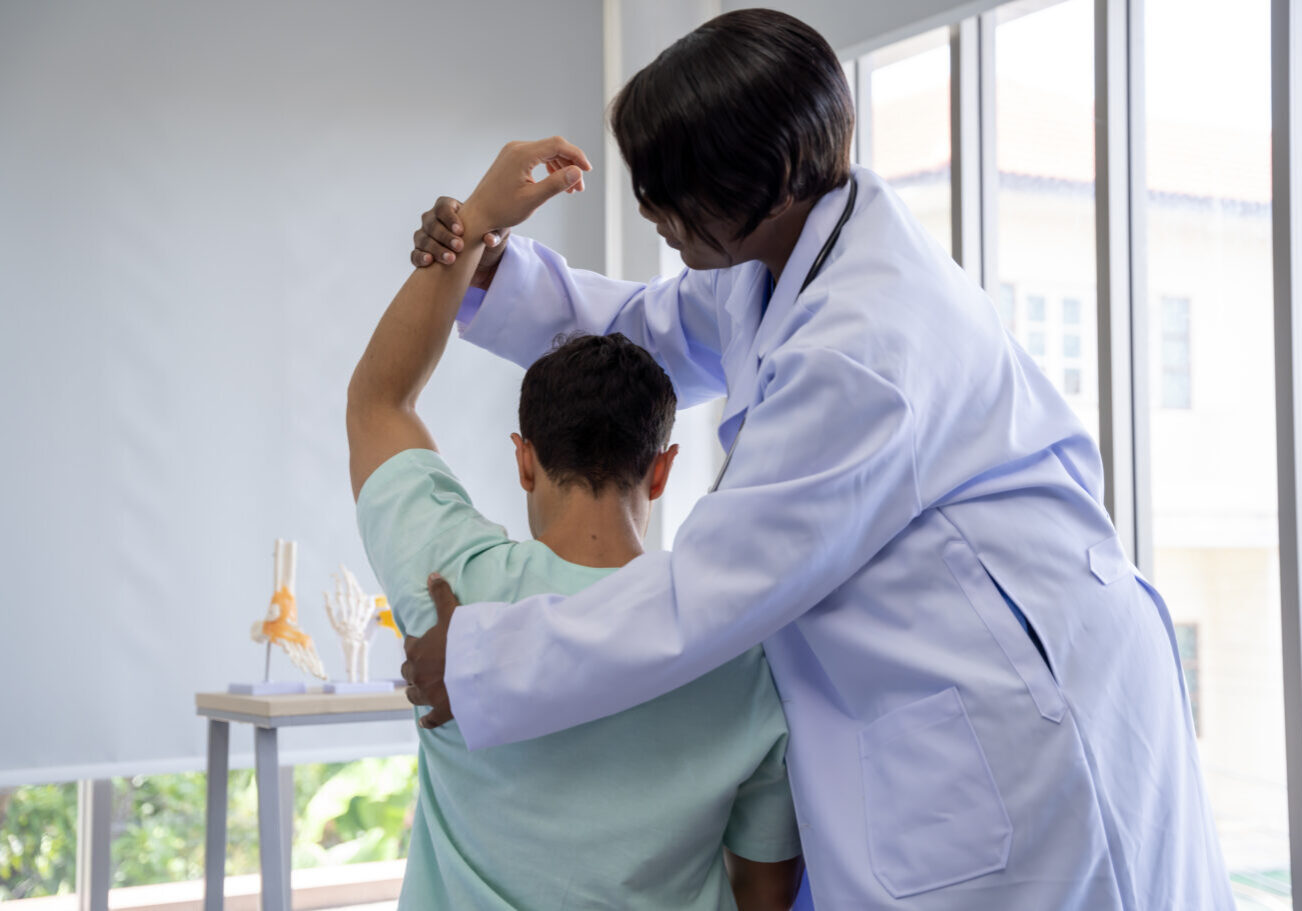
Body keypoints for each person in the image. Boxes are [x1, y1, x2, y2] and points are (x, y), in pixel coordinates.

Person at [400, 8, 1233, 910]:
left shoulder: (860, 344)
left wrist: (485, 659)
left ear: (776, 173)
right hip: (964, 674)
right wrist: (487, 268)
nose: (651, 211)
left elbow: (711, 590)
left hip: (1012, 715)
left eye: (674, 188)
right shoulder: (785, 257)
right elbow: (647, 330)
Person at [346, 170, 804, 909]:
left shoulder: (454, 594)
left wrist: (475, 220)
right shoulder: (742, 651)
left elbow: (378, 399)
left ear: (524, 459)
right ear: (661, 471)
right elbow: (763, 887)